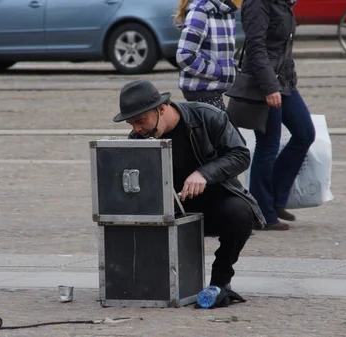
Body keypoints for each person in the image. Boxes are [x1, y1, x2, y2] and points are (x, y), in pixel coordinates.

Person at [112, 79, 269, 291]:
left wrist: (204, 174)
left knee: (240, 213)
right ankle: (154, 283)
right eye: (131, 124)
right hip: (173, 209)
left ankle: (220, 283)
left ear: (161, 108)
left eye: (141, 121)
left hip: (217, 200)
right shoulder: (140, 138)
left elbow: (240, 155)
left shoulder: (207, 116)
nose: (137, 129)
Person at [239, 0, 316, 230]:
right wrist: (270, 87)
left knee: (305, 133)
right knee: (268, 143)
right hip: (264, 82)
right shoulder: (257, 3)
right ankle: (262, 212)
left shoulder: (283, 3)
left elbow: (283, 46)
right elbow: (256, 47)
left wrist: (288, 79)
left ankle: (276, 198)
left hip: (284, 80)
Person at [174, 0, 238, 110]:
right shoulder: (200, 12)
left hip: (214, 93)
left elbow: (220, 54)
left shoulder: (226, 12)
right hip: (201, 92)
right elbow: (184, 56)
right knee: (225, 127)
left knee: (228, 126)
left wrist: (232, 69)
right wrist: (218, 72)